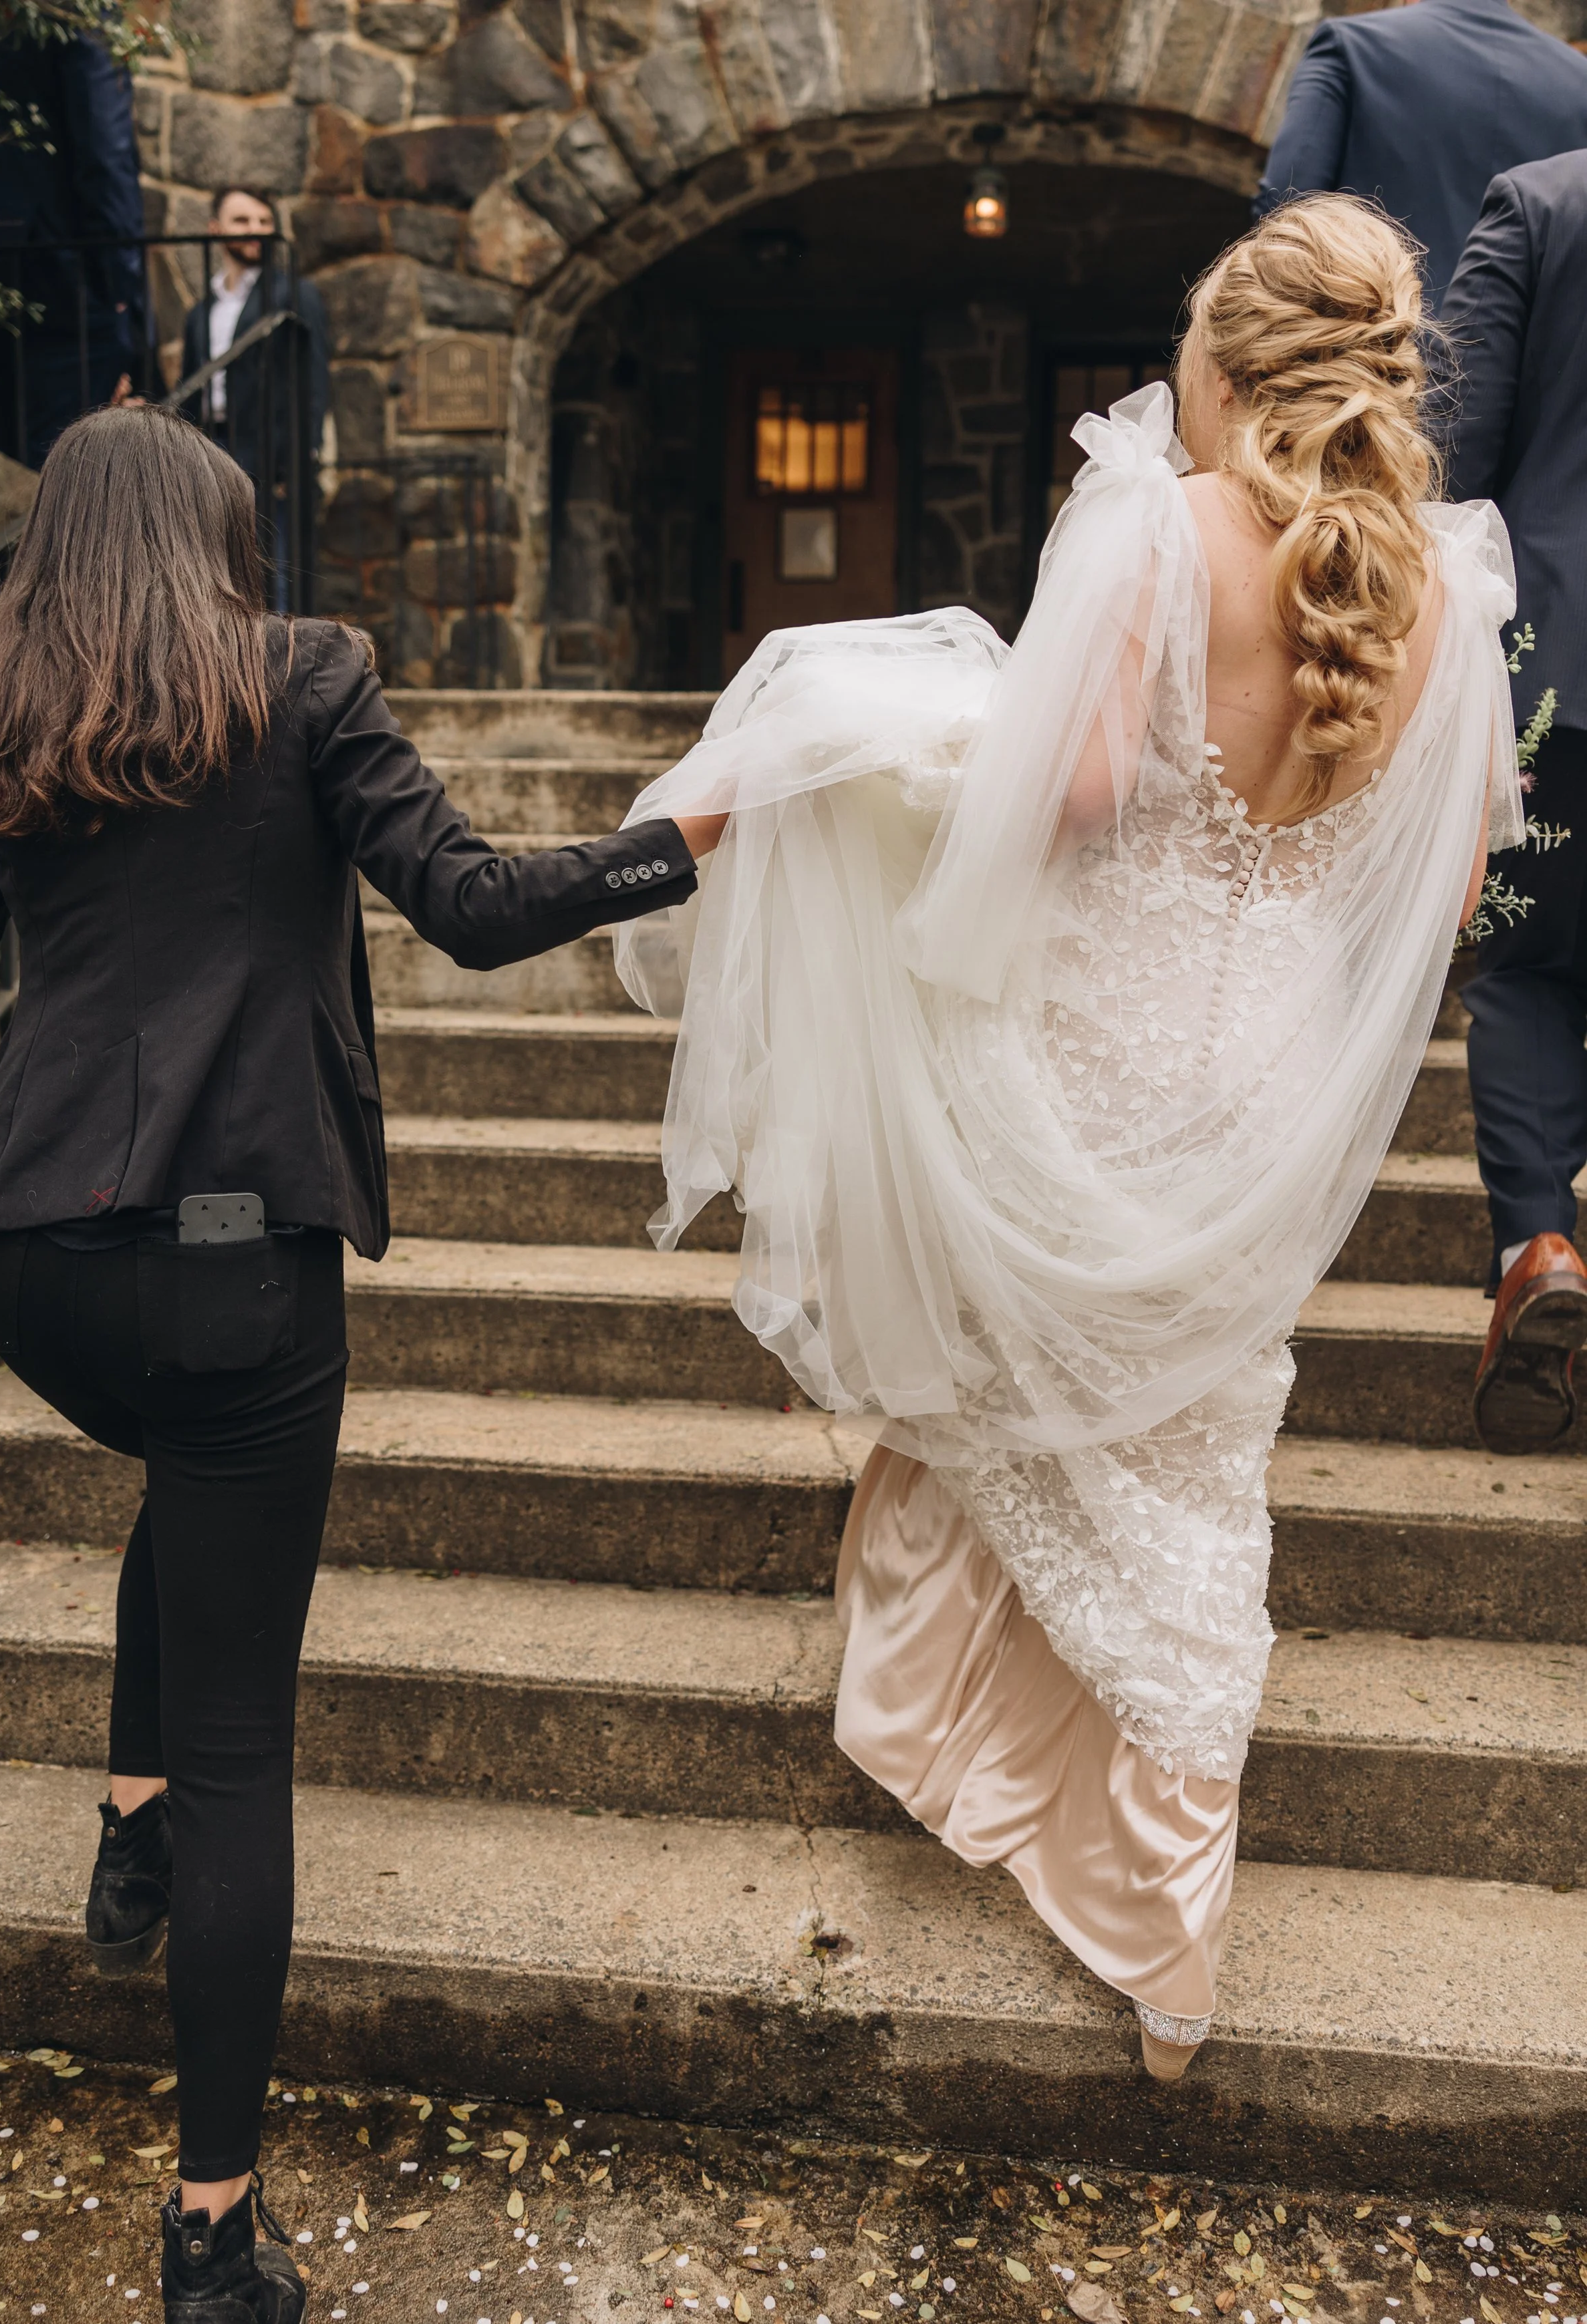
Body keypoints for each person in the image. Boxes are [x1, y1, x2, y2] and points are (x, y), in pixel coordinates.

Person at [611, 198, 1516, 2080]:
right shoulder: (1450, 590)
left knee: (1002, 1370)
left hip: (1097, 1044)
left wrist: (921, 770)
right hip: (1261, 1073)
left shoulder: (1162, 536)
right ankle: (1134, 1870)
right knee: (1187, 1442)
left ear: (1231, 361)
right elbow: (1442, 902)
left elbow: (1077, 789)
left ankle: (981, 1755)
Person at [0, 404, 716, 2321]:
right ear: (222, 539)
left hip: (25, 1258)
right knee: (242, 1744)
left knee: (182, 1487)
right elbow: (466, 900)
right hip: (224, 1261)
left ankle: (127, 1831)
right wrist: (672, 845)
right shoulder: (301, 678)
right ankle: (208, 2226)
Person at [1440, 149, 1587, 1452]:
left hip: (1553, 668)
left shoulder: (1538, 204)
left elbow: (1461, 456)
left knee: (1528, 974)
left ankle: (1537, 1241)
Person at [1253, 0, 1587, 309]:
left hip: (1361, 348)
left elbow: (1284, 210)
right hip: (1504, 360)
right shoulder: (1578, 86)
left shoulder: (1353, 45)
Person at [0, 3, 150, 463]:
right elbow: (105, 156)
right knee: (69, 455)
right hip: (65, 275)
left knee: (7, 442)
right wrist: (122, 282)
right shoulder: (75, 17)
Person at [182, 188, 330, 611]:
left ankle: (281, 670)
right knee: (217, 568)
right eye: (243, 222)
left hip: (271, 450)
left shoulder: (295, 294)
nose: (257, 231)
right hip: (212, 447)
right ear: (216, 230)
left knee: (276, 566)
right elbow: (193, 385)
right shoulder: (202, 310)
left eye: (265, 222)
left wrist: (301, 454)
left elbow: (314, 380)